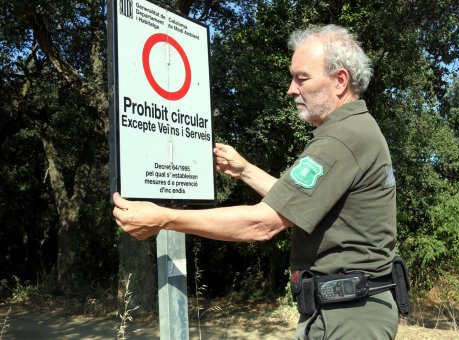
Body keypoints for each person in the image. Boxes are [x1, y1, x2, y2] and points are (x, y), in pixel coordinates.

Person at [113, 24, 402, 339]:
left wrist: (164, 218)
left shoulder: (342, 139)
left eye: (301, 78)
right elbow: (292, 202)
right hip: (345, 311)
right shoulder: (355, 130)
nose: (292, 89)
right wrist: (244, 169)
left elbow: (263, 224)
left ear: (340, 80)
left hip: (349, 317)